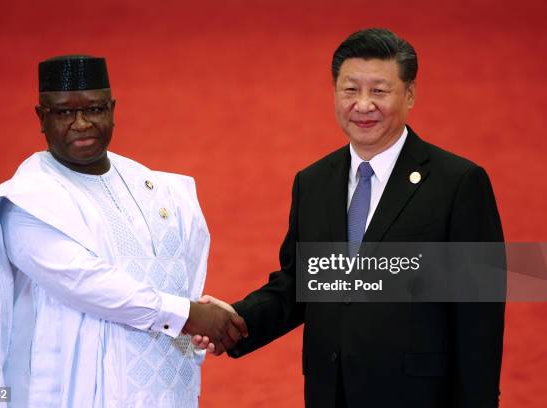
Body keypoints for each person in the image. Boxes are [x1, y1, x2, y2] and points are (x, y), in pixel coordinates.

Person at [195, 29, 505, 407]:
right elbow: (302, 283)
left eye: (379, 91)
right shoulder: (313, 182)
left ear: (409, 95)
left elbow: (479, 318)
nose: (362, 105)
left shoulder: (459, 183)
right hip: (332, 392)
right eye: (350, 89)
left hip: (419, 395)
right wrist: (235, 320)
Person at [0, 55, 246, 407]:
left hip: (164, 385)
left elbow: (177, 276)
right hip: (72, 386)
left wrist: (197, 324)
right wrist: (188, 315)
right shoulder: (27, 200)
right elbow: (86, 282)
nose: (81, 123)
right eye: (64, 113)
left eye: (94, 109)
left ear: (112, 109)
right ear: (42, 117)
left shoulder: (156, 188)